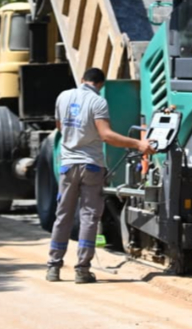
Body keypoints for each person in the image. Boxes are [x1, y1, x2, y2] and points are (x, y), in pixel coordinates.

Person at [46, 67, 152, 283]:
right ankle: (82, 270)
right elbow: (106, 135)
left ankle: (53, 267)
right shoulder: (98, 102)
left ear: (83, 79)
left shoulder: (63, 96)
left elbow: (60, 127)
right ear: (100, 85)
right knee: (89, 217)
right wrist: (138, 144)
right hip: (91, 165)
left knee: (63, 215)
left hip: (67, 165)